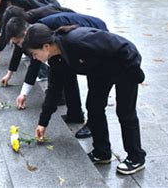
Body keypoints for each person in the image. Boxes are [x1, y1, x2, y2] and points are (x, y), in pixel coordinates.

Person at [22, 24, 146, 175]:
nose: (35, 58)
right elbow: (53, 91)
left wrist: (137, 74)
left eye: (34, 54)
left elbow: (122, 47)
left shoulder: (77, 41)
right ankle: (102, 152)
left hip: (124, 64)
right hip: (100, 71)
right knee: (94, 107)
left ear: (46, 46)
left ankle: (136, 157)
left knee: (125, 112)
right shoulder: (56, 60)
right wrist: (43, 123)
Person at [4, 12, 108, 139]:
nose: (20, 47)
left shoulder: (41, 33)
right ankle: (75, 114)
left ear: (25, 34)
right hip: (77, 40)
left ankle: (92, 125)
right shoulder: (35, 36)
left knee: (95, 85)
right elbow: (37, 65)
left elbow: (34, 65)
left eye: (18, 42)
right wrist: (23, 93)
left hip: (94, 34)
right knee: (66, 73)